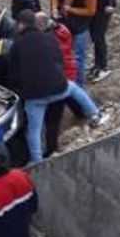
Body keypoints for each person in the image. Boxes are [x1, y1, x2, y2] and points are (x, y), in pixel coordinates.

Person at [6, 10, 76, 164]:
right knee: (53, 123)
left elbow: (13, 74)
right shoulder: (50, 38)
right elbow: (60, 60)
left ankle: (38, 162)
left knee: (34, 129)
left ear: (21, 24)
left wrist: (21, 89)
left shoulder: (17, 45)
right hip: (57, 88)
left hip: (34, 95)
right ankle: (52, 150)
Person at [36, 12, 102, 158]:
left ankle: (50, 149)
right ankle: (87, 113)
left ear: (41, 25)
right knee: (71, 96)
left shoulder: (49, 38)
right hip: (66, 72)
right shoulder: (60, 30)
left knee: (52, 116)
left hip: (60, 76)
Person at [55, 0, 97, 85]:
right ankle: (64, 82)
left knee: (79, 57)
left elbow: (91, 11)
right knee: (63, 54)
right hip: (66, 23)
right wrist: (57, 9)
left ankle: (79, 85)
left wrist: (71, 9)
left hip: (81, 26)